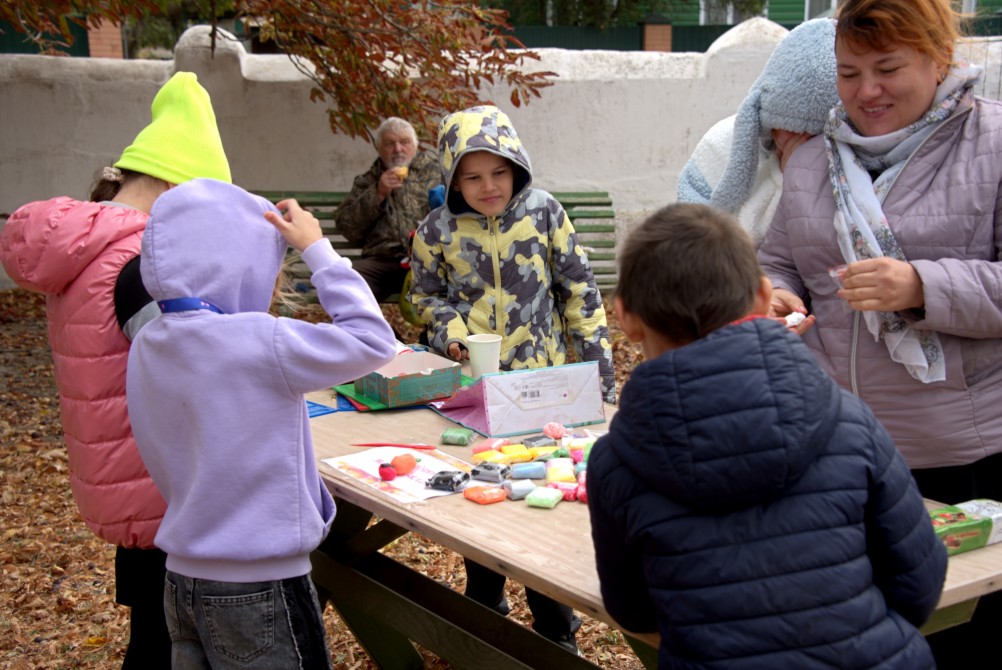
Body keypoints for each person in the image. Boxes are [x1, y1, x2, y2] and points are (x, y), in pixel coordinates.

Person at [587, 202, 947, 670]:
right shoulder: (849, 421)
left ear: (627, 319)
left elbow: (633, 609)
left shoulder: (616, 461)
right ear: (762, 298)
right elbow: (919, 584)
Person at [757, 1, 1002, 666]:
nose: (867, 91)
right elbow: (777, 259)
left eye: (888, 68)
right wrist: (776, 295)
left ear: (939, 59)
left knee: (961, 636)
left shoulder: (993, 145)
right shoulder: (816, 161)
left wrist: (923, 285)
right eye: (849, 72)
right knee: (860, 636)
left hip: (962, 456)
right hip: (841, 448)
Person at [0, 71, 231, 669]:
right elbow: (193, 365)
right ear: (180, 189)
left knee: (152, 629)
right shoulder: (138, 261)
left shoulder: (88, 244)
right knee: (167, 639)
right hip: (161, 482)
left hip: (117, 471)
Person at [125, 178, 398, 669]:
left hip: (180, 580)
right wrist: (318, 250)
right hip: (259, 585)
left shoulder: (148, 341)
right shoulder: (258, 339)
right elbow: (374, 340)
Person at [408, 104, 616, 654]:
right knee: (482, 503)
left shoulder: (545, 214)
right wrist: (449, 333)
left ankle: (555, 633)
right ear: (453, 177)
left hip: (542, 397)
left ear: (517, 167)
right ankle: (484, 622)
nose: (488, 186)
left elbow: (581, 296)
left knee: (538, 507)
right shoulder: (437, 229)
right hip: (475, 399)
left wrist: (601, 381)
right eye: (472, 177)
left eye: (499, 172)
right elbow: (423, 296)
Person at [676, 18, 839, 249]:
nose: (799, 143)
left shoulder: (851, 167)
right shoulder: (721, 145)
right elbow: (688, 235)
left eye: (814, 138)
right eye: (789, 129)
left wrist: (796, 180)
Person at [335, 117, 442, 302]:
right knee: (345, 282)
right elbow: (347, 228)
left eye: (404, 142)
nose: (398, 149)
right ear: (379, 148)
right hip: (382, 261)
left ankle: (435, 332)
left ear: (415, 146)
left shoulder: (435, 174)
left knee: (451, 283)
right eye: (390, 144)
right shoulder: (368, 180)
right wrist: (378, 193)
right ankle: (382, 332)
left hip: (426, 261)